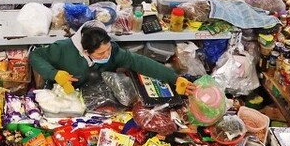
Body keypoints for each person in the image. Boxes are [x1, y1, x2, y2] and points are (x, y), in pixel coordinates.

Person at [30, 22, 195, 96]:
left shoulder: (114, 52)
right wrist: (55, 74)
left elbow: (140, 62)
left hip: (94, 93)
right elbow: (35, 55)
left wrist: (174, 79)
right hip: (61, 94)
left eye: (108, 49)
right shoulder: (63, 49)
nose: (107, 55)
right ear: (86, 52)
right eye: (101, 54)